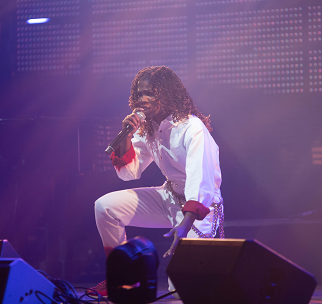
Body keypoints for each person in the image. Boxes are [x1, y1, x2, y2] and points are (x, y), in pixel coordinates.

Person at [90, 66, 224, 298]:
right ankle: (121, 276)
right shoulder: (150, 128)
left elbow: (202, 180)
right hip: (170, 196)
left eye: (150, 93)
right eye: (139, 94)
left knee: (180, 289)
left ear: (167, 94)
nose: (142, 99)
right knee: (105, 207)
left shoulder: (192, 128)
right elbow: (129, 172)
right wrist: (127, 136)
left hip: (199, 209)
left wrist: (186, 223)